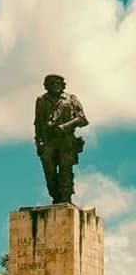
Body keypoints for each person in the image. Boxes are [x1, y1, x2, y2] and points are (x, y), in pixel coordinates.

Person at [34, 74, 88, 204]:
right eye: (51, 83)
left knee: (65, 170)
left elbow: (82, 119)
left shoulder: (71, 99)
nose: (55, 85)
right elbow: (38, 122)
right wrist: (38, 141)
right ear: (46, 86)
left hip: (66, 140)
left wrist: (65, 127)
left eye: (57, 82)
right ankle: (55, 197)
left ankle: (65, 198)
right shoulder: (41, 100)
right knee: (49, 172)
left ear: (63, 85)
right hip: (48, 141)